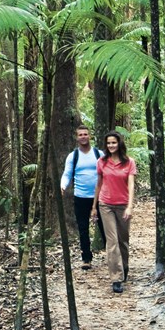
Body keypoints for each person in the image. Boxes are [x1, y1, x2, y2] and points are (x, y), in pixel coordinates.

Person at [95, 131, 136, 293]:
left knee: (123, 241)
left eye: (114, 143)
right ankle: (116, 278)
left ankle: (124, 268)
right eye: (108, 143)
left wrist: (130, 206)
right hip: (106, 205)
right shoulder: (101, 162)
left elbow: (131, 185)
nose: (111, 146)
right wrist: (93, 207)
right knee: (112, 242)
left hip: (123, 204)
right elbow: (98, 184)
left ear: (119, 144)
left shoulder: (129, 162)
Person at [59, 125, 103, 269]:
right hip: (81, 197)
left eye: (85, 134)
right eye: (80, 134)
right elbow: (67, 174)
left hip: (100, 197)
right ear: (76, 137)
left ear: (89, 136)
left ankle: (113, 256)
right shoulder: (73, 156)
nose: (83, 136)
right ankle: (86, 259)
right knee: (83, 229)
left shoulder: (99, 154)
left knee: (105, 227)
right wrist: (63, 186)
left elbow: (109, 172)